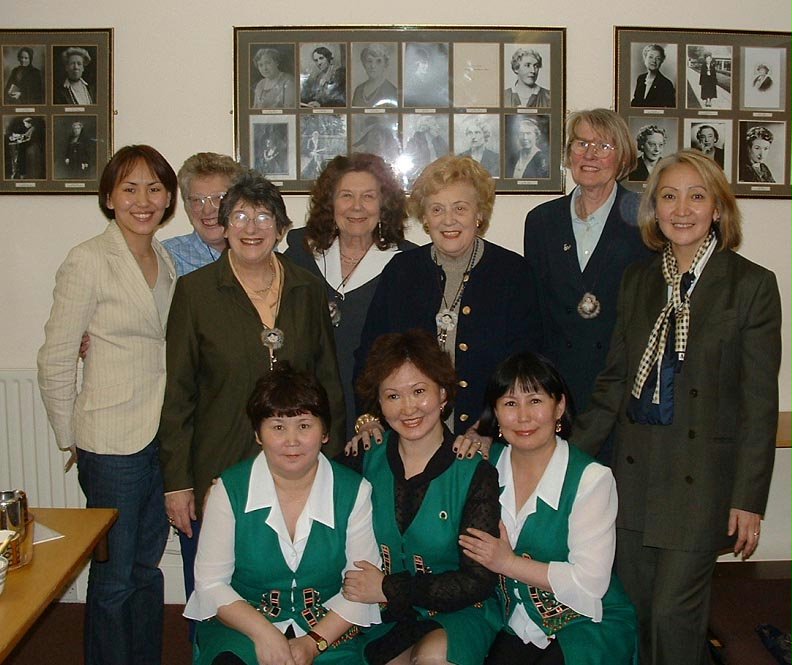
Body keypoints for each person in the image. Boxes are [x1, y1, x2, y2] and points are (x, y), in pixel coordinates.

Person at [573, 149, 781, 665]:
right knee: (639, 614)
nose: (681, 209)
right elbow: (615, 383)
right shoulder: (638, 281)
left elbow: (759, 402)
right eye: (669, 196)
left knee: (674, 616)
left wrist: (749, 498)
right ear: (654, 210)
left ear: (718, 209)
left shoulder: (751, 285)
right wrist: (564, 460)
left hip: (702, 483)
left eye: (696, 196)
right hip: (637, 474)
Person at [158, 169, 346, 616]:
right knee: (215, 589)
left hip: (298, 464)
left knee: (291, 585)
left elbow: (328, 380)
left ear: (282, 230)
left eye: (264, 217)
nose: (250, 228)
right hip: (219, 461)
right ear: (223, 227)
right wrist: (178, 483)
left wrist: (332, 459)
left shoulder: (306, 287)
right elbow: (179, 393)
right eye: (239, 216)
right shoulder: (195, 291)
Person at [37, 145, 179, 665]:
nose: (144, 200)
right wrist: (69, 435)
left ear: (168, 198)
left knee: (147, 568)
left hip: (158, 436)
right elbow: (55, 355)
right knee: (116, 574)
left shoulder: (164, 258)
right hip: (110, 440)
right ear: (108, 196)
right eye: (130, 188)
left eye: (155, 188)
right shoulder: (89, 258)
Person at [184, 367, 381, 665]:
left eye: (304, 426)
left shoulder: (355, 492)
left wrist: (313, 644)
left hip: (327, 631)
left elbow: (361, 587)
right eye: (277, 427)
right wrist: (265, 634)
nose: (292, 440)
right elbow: (211, 584)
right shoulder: (230, 489)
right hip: (244, 626)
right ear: (258, 434)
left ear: (325, 432)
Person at [460, 352, 637, 664]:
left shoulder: (592, 479)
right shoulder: (483, 467)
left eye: (536, 401)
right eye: (510, 403)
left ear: (560, 407)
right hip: (511, 623)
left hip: (586, 622)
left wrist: (507, 563)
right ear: (496, 414)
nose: (524, 416)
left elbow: (590, 583)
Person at [355, 155, 542, 448]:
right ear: (426, 219)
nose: (449, 220)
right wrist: (369, 416)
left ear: (479, 215)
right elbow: (371, 355)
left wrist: (489, 426)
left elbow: (525, 365)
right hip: (409, 439)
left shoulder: (512, 273)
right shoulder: (401, 271)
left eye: (460, 208)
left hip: (488, 441)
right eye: (437, 209)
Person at [342, 329, 502, 665]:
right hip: (381, 616)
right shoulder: (362, 458)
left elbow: (477, 581)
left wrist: (389, 587)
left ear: (443, 394)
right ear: (379, 402)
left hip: (459, 612)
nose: (408, 408)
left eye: (419, 391)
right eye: (393, 396)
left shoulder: (474, 471)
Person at [523, 109, 652, 440]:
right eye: (581, 143)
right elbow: (535, 311)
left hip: (621, 394)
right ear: (568, 154)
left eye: (604, 146)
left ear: (622, 157)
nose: (590, 154)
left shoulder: (647, 219)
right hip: (558, 393)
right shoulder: (541, 222)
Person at [284, 153, 416, 439]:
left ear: (384, 205)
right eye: (346, 195)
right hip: (303, 420)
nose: (357, 207)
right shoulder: (299, 256)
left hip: (377, 423)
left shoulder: (407, 266)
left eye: (368, 196)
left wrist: (372, 413)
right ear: (330, 203)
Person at [163, 152, 244, 277]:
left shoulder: (259, 248)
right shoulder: (168, 256)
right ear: (187, 206)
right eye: (197, 200)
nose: (207, 210)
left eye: (218, 198)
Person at [351, 44, 397, 108]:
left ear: (385, 64)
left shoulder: (392, 91)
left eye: (378, 61)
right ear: (364, 64)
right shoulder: (358, 90)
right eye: (369, 61)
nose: (373, 66)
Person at [404, 115, 449, 181]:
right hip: (421, 179)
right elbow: (410, 170)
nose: (438, 127)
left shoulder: (440, 141)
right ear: (426, 128)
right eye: (434, 125)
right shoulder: (414, 143)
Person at [631, 44, 675, 108]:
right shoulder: (641, 78)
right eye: (651, 57)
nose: (654, 61)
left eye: (658, 58)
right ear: (645, 58)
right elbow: (635, 103)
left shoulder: (666, 84)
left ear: (661, 62)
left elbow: (669, 110)